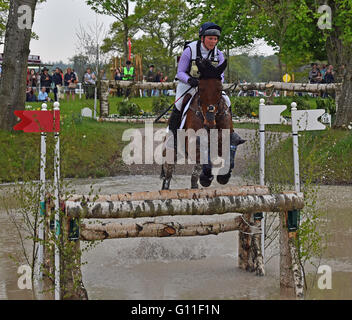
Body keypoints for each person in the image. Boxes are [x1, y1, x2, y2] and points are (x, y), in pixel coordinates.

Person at [169, 22, 232, 140]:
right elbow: (180, 72)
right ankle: (172, 136)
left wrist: (215, 84)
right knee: (178, 104)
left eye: (215, 39)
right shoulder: (189, 50)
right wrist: (189, 80)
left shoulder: (218, 54)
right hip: (189, 84)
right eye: (210, 38)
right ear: (202, 38)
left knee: (227, 101)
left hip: (209, 88)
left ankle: (231, 133)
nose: (213, 42)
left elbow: (221, 75)